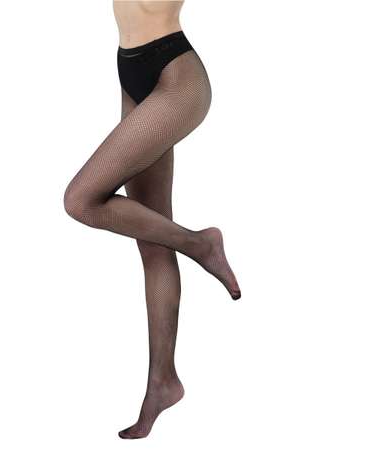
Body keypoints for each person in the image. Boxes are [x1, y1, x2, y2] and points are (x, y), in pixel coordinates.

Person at [64, 0, 241, 439]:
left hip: (176, 77)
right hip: (131, 71)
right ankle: (162, 382)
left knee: (81, 200)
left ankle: (201, 244)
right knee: (153, 242)